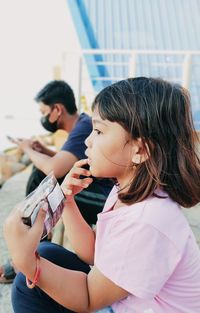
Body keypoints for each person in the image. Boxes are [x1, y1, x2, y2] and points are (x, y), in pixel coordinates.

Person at [4, 77, 200, 313]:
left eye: (98, 131)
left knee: (31, 286)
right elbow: (95, 253)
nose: (88, 140)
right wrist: (67, 200)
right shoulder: (125, 190)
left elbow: (88, 298)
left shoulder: (148, 221)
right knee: (47, 254)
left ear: (140, 150)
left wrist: (25, 260)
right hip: (126, 303)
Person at [0, 80, 113, 284]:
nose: (43, 117)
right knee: (46, 176)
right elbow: (69, 161)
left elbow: (54, 168)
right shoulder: (83, 125)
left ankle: (30, 249)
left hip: (102, 197)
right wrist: (44, 151)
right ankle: (36, 245)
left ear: (57, 109)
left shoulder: (83, 126)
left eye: (44, 112)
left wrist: (27, 149)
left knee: (42, 175)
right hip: (96, 189)